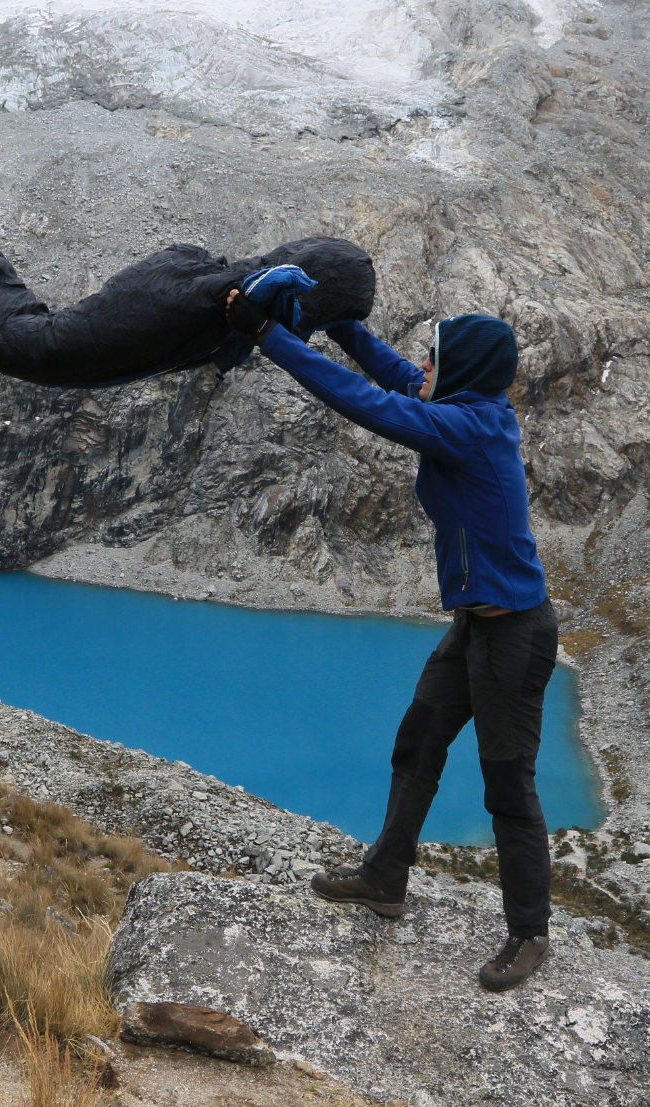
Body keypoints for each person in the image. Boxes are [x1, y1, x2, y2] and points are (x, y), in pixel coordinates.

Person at [226, 289, 558, 992]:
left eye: (434, 356)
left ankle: (529, 934)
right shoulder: (459, 404)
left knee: (507, 785)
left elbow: (369, 404)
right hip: (477, 625)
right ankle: (385, 877)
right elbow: (392, 377)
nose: (422, 365)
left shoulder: (470, 427)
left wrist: (269, 335)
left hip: (515, 637)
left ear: (462, 368)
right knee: (419, 739)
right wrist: (339, 318)